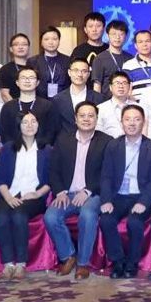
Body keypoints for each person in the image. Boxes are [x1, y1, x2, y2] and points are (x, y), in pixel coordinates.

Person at [45, 101, 113, 280]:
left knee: (88, 215)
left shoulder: (107, 141)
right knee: (51, 217)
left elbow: (108, 173)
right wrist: (60, 192)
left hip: (93, 193)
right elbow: (54, 170)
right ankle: (68, 256)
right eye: (82, 116)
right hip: (67, 193)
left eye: (91, 116)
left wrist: (88, 191)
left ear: (96, 119)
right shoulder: (63, 139)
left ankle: (83, 263)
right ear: (75, 119)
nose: (86, 119)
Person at [98, 105, 151, 279]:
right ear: (122, 122)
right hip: (118, 196)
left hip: (140, 196)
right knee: (106, 220)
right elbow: (106, 176)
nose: (132, 123)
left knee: (134, 222)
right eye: (127, 119)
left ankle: (132, 263)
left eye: (136, 119)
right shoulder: (113, 145)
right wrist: (106, 200)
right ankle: (118, 261)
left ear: (143, 122)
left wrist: (144, 202)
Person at [0, 111, 51, 280]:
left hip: (33, 197)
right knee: (1, 216)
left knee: (19, 215)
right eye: (25, 122)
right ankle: (7, 264)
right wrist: (9, 198)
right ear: (19, 126)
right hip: (8, 194)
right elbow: (0, 179)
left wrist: (37, 193)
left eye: (33, 121)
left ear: (38, 125)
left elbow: (51, 180)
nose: (30, 125)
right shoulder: (8, 149)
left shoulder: (47, 150)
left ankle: (21, 263)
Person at [0, 67, 58, 146]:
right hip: (14, 150)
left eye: (31, 78)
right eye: (23, 78)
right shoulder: (8, 107)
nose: (27, 81)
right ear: (17, 82)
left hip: (40, 150)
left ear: (37, 82)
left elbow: (51, 133)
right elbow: (4, 133)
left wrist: (36, 148)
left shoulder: (47, 106)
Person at [51, 57, 104, 136]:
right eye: (76, 70)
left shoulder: (99, 99)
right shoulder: (57, 100)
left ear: (89, 74)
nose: (80, 74)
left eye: (84, 71)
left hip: (93, 140)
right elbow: (54, 127)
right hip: (65, 141)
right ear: (69, 72)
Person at [27, 26, 72, 100]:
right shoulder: (32, 61)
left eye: (54, 39)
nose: (51, 42)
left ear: (59, 41)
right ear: (41, 42)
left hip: (63, 100)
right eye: (46, 39)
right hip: (39, 101)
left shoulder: (68, 60)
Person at [91, 20, 134, 96]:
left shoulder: (131, 58)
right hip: (107, 101)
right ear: (108, 35)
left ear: (126, 36)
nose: (117, 37)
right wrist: (97, 102)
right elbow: (97, 85)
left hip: (128, 100)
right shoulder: (99, 59)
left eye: (121, 34)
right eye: (114, 34)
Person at [96, 72, 139, 138]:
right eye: (117, 83)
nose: (121, 86)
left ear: (129, 86)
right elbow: (98, 134)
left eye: (124, 83)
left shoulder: (137, 107)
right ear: (110, 87)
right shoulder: (101, 109)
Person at [0, 33, 31, 102]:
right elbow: (5, 94)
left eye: (24, 44)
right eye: (16, 44)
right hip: (14, 106)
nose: (20, 47)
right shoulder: (5, 69)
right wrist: (15, 107)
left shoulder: (35, 66)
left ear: (28, 48)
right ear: (11, 49)